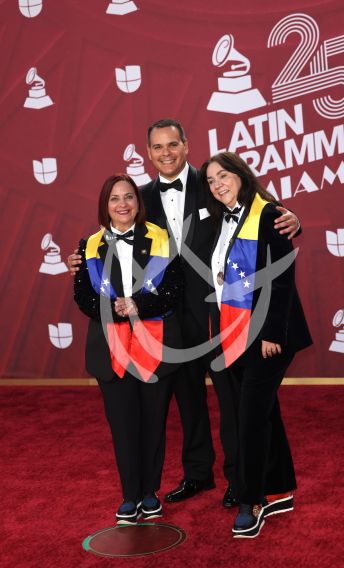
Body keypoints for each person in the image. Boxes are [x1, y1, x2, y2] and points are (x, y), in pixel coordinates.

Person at [68, 119, 300, 508]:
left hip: (223, 315)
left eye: (172, 144)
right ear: (148, 152)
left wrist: (291, 217)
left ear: (186, 145)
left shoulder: (213, 183)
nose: (166, 153)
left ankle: (239, 478)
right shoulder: (140, 198)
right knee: (188, 400)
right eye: (157, 147)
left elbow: (253, 211)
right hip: (170, 319)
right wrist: (79, 259)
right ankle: (197, 473)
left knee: (231, 401)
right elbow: (113, 242)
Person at [200, 152, 312, 538]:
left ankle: (252, 501)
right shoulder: (220, 218)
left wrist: (271, 335)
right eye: (211, 180)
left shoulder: (267, 213)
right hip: (235, 332)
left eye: (223, 175)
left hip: (267, 334)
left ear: (241, 175)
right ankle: (279, 489)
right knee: (265, 412)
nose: (217, 184)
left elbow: (282, 279)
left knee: (249, 418)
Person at [73, 173, 183, 525]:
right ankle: (129, 496)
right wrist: (113, 309)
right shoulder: (88, 245)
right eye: (114, 199)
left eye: (129, 197)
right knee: (123, 426)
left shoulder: (162, 239)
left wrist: (138, 306)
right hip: (111, 349)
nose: (123, 205)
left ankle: (150, 492)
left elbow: (173, 289)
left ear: (138, 202)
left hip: (154, 343)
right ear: (105, 206)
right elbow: (83, 296)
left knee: (153, 424)